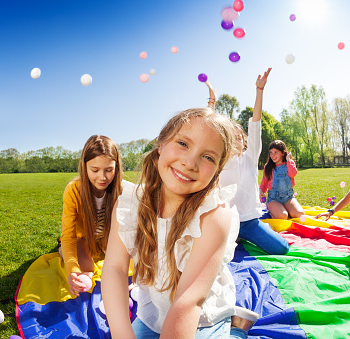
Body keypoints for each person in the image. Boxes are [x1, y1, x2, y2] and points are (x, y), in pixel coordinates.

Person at [101, 108, 258, 338]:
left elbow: (189, 300)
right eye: (183, 144)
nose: (190, 162)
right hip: (153, 315)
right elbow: (114, 269)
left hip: (201, 319)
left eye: (208, 157)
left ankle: (236, 329)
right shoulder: (129, 204)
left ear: (216, 171)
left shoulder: (214, 215)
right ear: (161, 145)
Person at [218, 68, 289, 255]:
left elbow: (255, 124)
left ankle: (244, 236)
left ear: (245, 142)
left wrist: (259, 91)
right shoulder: (218, 162)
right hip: (225, 222)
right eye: (231, 138)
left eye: (239, 138)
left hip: (250, 221)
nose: (236, 141)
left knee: (281, 248)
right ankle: (235, 238)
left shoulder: (250, 157)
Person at [59, 135, 123, 296]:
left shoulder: (121, 190)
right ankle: (61, 251)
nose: (102, 177)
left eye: (109, 170)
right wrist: (72, 270)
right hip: (83, 240)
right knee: (86, 270)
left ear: (116, 167)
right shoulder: (74, 190)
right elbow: (68, 236)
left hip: (107, 239)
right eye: (95, 170)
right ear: (84, 166)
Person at [259, 140, 304, 220]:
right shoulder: (268, 166)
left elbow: (293, 173)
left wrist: (289, 160)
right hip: (273, 199)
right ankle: (272, 210)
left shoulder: (289, 163)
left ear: (283, 153)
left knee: (300, 214)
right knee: (282, 216)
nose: (273, 155)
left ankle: (285, 208)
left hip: (288, 197)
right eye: (271, 152)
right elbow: (264, 182)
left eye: (276, 152)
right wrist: (261, 190)